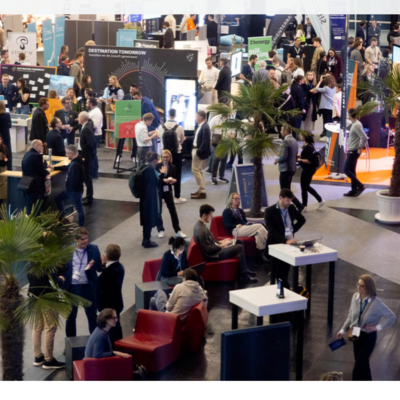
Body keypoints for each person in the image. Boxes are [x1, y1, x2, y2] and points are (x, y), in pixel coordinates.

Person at [337, 274, 396, 381]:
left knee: (358, 366)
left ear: (369, 287)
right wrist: (343, 330)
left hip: (368, 338)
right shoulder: (355, 297)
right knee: (363, 364)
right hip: (356, 335)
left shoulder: (377, 303)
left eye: (362, 286)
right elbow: (350, 315)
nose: (358, 287)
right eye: (358, 284)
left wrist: (377, 327)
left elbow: (391, 317)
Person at [193, 204, 258, 284]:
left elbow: (210, 240)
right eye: (210, 215)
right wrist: (222, 245)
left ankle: (244, 270)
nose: (211, 217)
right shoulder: (201, 230)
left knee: (239, 241)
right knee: (239, 247)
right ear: (204, 215)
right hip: (214, 255)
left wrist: (221, 241)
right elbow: (208, 249)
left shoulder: (201, 225)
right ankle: (243, 276)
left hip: (215, 249)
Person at [61, 227, 102, 337]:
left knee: (92, 316)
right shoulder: (67, 250)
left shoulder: (94, 249)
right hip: (72, 288)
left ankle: (94, 341)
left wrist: (101, 264)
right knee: (70, 317)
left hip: (88, 287)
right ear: (75, 239)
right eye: (82, 239)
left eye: (86, 238)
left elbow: (99, 268)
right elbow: (62, 268)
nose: (85, 241)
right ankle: (70, 342)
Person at [264, 188, 306, 288]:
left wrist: (292, 230)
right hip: (276, 245)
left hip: (289, 245)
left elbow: (302, 220)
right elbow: (272, 231)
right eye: (287, 200)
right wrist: (286, 240)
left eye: (290, 200)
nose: (289, 203)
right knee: (278, 274)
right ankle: (283, 290)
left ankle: (284, 290)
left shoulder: (291, 208)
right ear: (280, 198)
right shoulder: (269, 211)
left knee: (285, 271)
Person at [28, 267, 65, 370]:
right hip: (49, 299)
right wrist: (61, 279)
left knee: (37, 327)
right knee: (50, 329)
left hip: (35, 298)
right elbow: (54, 282)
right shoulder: (48, 265)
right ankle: (49, 360)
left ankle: (38, 356)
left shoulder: (32, 264)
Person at [223, 192, 269, 260]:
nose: (237, 200)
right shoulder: (227, 211)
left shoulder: (240, 210)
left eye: (238, 199)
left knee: (259, 232)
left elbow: (245, 221)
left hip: (244, 227)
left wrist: (248, 224)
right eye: (235, 198)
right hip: (236, 230)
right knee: (259, 226)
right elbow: (226, 224)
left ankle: (262, 254)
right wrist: (235, 225)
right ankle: (272, 242)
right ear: (231, 199)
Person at [96, 245, 125, 343]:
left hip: (108, 305)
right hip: (117, 302)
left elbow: (98, 283)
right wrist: (104, 265)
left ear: (107, 255)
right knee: (117, 325)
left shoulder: (110, 271)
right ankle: (120, 344)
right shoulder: (119, 267)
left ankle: (113, 346)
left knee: (111, 328)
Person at [155, 150, 186, 238]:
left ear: (170, 157)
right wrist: (163, 178)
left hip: (168, 190)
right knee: (158, 211)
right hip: (159, 190)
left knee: (173, 210)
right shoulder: (158, 166)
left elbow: (175, 178)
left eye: (167, 157)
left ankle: (178, 230)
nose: (165, 159)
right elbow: (156, 180)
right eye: (164, 157)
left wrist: (173, 181)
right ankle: (160, 229)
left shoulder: (173, 167)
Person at [158, 108, 186, 204]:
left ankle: (162, 197)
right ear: (175, 115)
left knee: (163, 174)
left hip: (164, 153)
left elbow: (160, 138)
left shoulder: (161, 127)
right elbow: (181, 140)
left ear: (168, 115)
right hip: (176, 154)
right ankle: (177, 196)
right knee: (177, 174)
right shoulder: (179, 127)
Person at [274, 126, 304, 212]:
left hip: (285, 169)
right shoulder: (294, 140)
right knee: (287, 190)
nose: (280, 132)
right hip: (292, 168)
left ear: (286, 131)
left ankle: (294, 206)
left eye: (281, 130)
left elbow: (283, 157)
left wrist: (276, 160)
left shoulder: (285, 142)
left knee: (284, 191)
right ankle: (293, 206)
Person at [55, 145, 85, 226]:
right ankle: (63, 217)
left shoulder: (75, 165)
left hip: (74, 191)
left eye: (67, 153)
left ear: (71, 153)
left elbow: (75, 180)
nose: (66, 155)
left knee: (79, 209)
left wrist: (70, 190)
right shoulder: (75, 162)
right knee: (58, 198)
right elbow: (66, 167)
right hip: (72, 190)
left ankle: (81, 226)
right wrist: (54, 168)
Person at [21, 140, 53, 214]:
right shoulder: (37, 156)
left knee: (29, 207)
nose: (43, 147)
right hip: (35, 185)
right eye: (41, 145)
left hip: (26, 183)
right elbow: (41, 169)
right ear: (37, 146)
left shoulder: (27, 154)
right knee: (37, 207)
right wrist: (47, 173)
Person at [140, 151, 164, 248]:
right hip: (150, 198)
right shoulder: (150, 169)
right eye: (157, 159)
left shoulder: (143, 166)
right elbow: (157, 183)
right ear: (154, 160)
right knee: (149, 219)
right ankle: (147, 240)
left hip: (143, 197)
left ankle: (145, 239)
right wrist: (162, 174)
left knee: (145, 219)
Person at [343, 108, 368, 197]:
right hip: (352, 149)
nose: (347, 116)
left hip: (354, 150)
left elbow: (364, 137)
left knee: (346, 170)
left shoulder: (356, 125)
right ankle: (354, 190)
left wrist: (360, 147)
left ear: (350, 115)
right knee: (352, 170)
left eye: (348, 114)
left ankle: (360, 185)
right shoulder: (355, 123)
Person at [297, 133, 325, 212]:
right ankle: (319, 200)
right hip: (309, 169)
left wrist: (300, 160)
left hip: (308, 169)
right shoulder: (309, 146)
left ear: (305, 137)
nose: (300, 136)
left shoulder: (308, 147)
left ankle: (304, 205)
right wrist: (301, 156)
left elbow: (310, 160)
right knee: (306, 186)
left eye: (301, 135)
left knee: (304, 187)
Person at [76, 111, 95, 205]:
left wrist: (85, 154)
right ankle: (87, 196)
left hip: (86, 155)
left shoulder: (86, 128)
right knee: (85, 176)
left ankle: (89, 197)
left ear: (83, 119)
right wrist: (80, 140)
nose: (78, 119)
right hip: (84, 154)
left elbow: (90, 144)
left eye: (79, 117)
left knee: (87, 176)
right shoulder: (86, 126)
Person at [191, 110, 210, 200]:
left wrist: (199, 151)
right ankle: (201, 190)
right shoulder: (201, 126)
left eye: (196, 116)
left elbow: (205, 141)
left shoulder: (205, 127)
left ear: (201, 117)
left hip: (198, 151)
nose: (195, 118)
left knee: (195, 170)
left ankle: (202, 191)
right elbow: (197, 138)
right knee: (198, 170)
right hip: (196, 149)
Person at [209, 112, 229, 185]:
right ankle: (213, 177)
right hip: (216, 141)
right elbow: (210, 129)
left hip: (226, 141)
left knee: (224, 159)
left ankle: (221, 176)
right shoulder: (216, 118)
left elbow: (231, 128)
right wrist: (210, 139)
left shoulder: (229, 118)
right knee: (216, 158)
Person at [87, 97, 103, 179]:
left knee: (92, 154)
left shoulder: (96, 112)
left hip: (95, 135)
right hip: (94, 134)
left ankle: (94, 173)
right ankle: (93, 173)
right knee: (93, 154)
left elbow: (95, 125)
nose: (86, 104)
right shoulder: (93, 111)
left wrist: (85, 126)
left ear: (91, 104)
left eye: (87, 103)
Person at [0, 100, 12, 170]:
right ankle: (9, 167)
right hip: (6, 136)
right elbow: (9, 125)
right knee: (8, 153)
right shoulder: (7, 115)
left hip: (0, 137)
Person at [0, 135, 8, 205]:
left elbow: (7, 159)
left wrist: (4, 161)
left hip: (3, 172)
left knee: (2, 194)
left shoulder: (4, 148)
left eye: (0, 139)